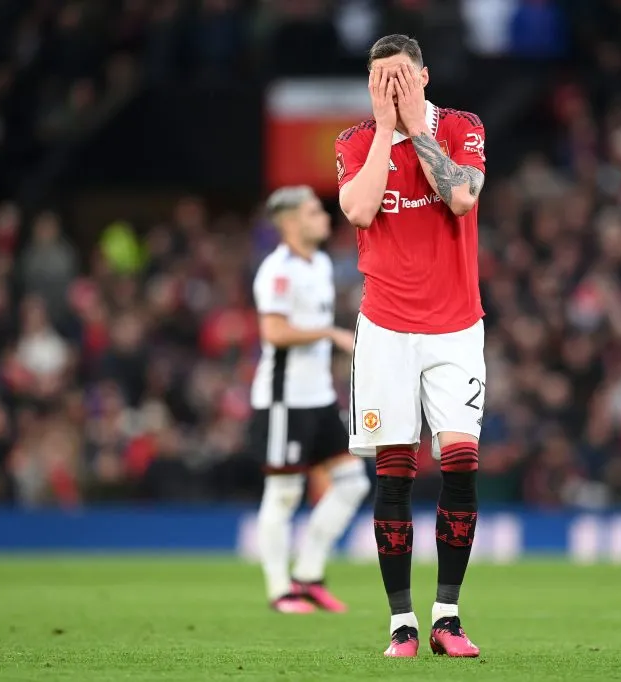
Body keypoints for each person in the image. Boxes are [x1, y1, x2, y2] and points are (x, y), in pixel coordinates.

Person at [335, 35, 487, 657]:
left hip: (455, 326)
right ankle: (402, 622)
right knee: (394, 470)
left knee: (460, 461)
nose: (390, 89)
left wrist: (413, 129)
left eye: (399, 77)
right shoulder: (353, 142)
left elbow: (460, 195)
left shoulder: (460, 128)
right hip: (386, 329)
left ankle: (447, 616)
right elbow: (360, 211)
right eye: (379, 79)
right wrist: (384, 131)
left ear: (424, 77)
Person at [250, 186, 370, 614]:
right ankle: (280, 589)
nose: (324, 217)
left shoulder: (319, 264)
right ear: (288, 222)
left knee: (353, 483)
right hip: (283, 401)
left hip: (318, 398)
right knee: (283, 492)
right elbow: (274, 333)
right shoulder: (277, 271)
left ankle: (308, 574)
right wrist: (329, 333)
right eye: (313, 211)